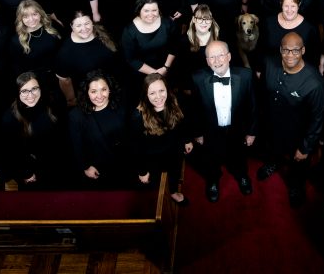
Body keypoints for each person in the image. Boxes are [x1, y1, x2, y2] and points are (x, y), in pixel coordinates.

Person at [258, 32, 324, 208]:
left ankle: (296, 185)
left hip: (297, 133)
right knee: (272, 149)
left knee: (298, 164)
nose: (290, 55)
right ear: (280, 50)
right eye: (286, 50)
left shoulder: (315, 83)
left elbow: (318, 118)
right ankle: (273, 163)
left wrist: (305, 147)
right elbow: (262, 92)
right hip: (271, 126)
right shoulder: (269, 63)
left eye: (295, 50)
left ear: (303, 50)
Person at [192, 40, 257, 202]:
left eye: (220, 55)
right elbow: (194, 109)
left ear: (229, 56)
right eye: (212, 57)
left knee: (239, 155)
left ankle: (242, 175)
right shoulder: (197, 78)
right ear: (207, 61)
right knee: (211, 158)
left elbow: (253, 106)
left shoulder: (246, 76)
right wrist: (198, 133)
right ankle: (213, 180)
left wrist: (251, 132)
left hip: (237, 129)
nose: (217, 60)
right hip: (211, 130)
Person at [1, 71, 70, 190]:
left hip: (58, 164)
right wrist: (26, 172)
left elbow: (64, 135)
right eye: (24, 91)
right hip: (32, 170)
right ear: (17, 93)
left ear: (40, 88)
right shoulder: (9, 118)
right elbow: (12, 151)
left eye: (34, 89)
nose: (31, 95)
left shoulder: (53, 103)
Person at [130, 73, 193, 205]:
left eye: (161, 91)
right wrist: (142, 171)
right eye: (152, 93)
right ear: (146, 95)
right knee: (157, 184)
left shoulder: (175, 102)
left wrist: (187, 140)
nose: (158, 97)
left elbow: (183, 124)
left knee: (174, 173)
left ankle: (174, 192)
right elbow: (136, 147)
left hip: (175, 150)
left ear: (167, 90)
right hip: (154, 158)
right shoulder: (138, 116)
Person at [69, 70, 129, 189]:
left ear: (109, 89)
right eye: (93, 91)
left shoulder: (121, 105)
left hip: (124, 163)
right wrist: (86, 167)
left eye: (103, 89)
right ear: (87, 93)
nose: (100, 96)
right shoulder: (76, 116)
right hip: (98, 168)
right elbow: (77, 145)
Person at [56, 12, 119, 106]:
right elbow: (65, 81)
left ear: (92, 22)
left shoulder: (103, 31)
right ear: (71, 26)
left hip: (112, 86)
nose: (84, 28)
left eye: (87, 23)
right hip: (90, 95)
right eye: (78, 25)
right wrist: (71, 99)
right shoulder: (65, 52)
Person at [122, 0, 178, 100]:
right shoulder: (129, 31)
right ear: (139, 10)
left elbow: (174, 46)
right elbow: (131, 59)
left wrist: (165, 68)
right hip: (142, 72)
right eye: (146, 10)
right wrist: (155, 74)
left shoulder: (167, 23)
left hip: (167, 67)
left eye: (154, 10)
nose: (151, 14)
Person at [259, 0, 320, 69]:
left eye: (293, 6)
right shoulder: (268, 23)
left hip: (298, 72)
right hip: (271, 69)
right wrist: (259, 68)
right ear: (281, 5)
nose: (289, 10)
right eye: (286, 6)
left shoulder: (309, 28)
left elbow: (314, 57)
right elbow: (261, 49)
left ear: (299, 5)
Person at [9, 0, 61, 82]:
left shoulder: (52, 26)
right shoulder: (16, 41)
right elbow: (18, 68)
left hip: (61, 73)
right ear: (21, 19)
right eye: (26, 16)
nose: (31, 19)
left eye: (34, 14)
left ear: (40, 13)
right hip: (37, 80)